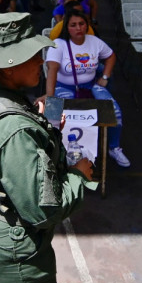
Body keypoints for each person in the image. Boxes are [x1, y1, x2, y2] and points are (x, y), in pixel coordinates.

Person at [0, 12, 95, 283]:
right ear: (8, 66)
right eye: (33, 55)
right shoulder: (15, 130)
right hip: (12, 252)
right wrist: (80, 176)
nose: (41, 61)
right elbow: (42, 212)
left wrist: (40, 125)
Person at [45, 9, 131, 167]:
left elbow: (111, 56)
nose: (78, 28)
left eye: (81, 24)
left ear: (87, 25)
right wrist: (50, 96)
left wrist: (105, 77)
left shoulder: (94, 42)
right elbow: (52, 70)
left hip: (91, 85)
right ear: (66, 27)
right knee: (53, 116)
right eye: (73, 25)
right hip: (64, 86)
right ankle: (56, 152)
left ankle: (113, 147)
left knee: (115, 111)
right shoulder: (58, 44)